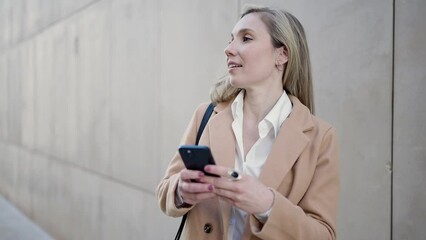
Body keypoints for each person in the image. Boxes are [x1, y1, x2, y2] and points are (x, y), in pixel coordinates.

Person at [156, 6, 339, 240]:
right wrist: (180, 191)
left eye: (246, 38)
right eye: (231, 39)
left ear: (281, 54)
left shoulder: (320, 137)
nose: (228, 49)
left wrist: (267, 205)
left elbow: (324, 235)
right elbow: (164, 193)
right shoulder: (206, 114)